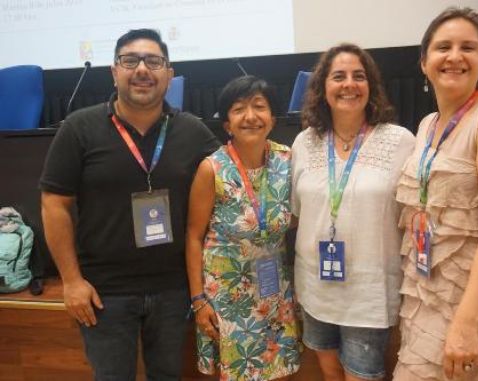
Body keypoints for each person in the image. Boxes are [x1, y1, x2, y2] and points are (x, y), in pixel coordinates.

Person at [40, 29, 219, 380]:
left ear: (169, 74)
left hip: (174, 289)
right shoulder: (79, 128)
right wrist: (72, 281)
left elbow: (231, 185)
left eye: (153, 61)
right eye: (130, 60)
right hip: (104, 293)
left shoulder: (193, 131)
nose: (142, 69)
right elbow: (54, 205)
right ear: (114, 71)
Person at [393, 7, 478, 381]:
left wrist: (466, 323)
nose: (455, 56)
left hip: (471, 300)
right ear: (424, 62)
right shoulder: (426, 125)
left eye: (468, 47)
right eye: (443, 47)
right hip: (425, 290)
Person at [291, 43, 415, 381]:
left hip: (369, 291)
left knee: (362, 374)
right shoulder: (304, 143)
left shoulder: (400, 141)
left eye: (358, 76)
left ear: (371, 86)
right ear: (323, 88)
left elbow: (412, 215)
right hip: (316, 284)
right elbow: (298, 212)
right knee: (330, 371)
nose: (349, 84)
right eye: (338, 76)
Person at [186, 75, 302, 381]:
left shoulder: (288, 160)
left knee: (278, 371)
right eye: (239, 109)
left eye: (259, 107)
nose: (250, 116)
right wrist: (198, 301)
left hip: (274, 290)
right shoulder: (211, 168)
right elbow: (194, 237)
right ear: (226, 124)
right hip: (227, 296)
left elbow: (300, 215)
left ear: (273, 119)